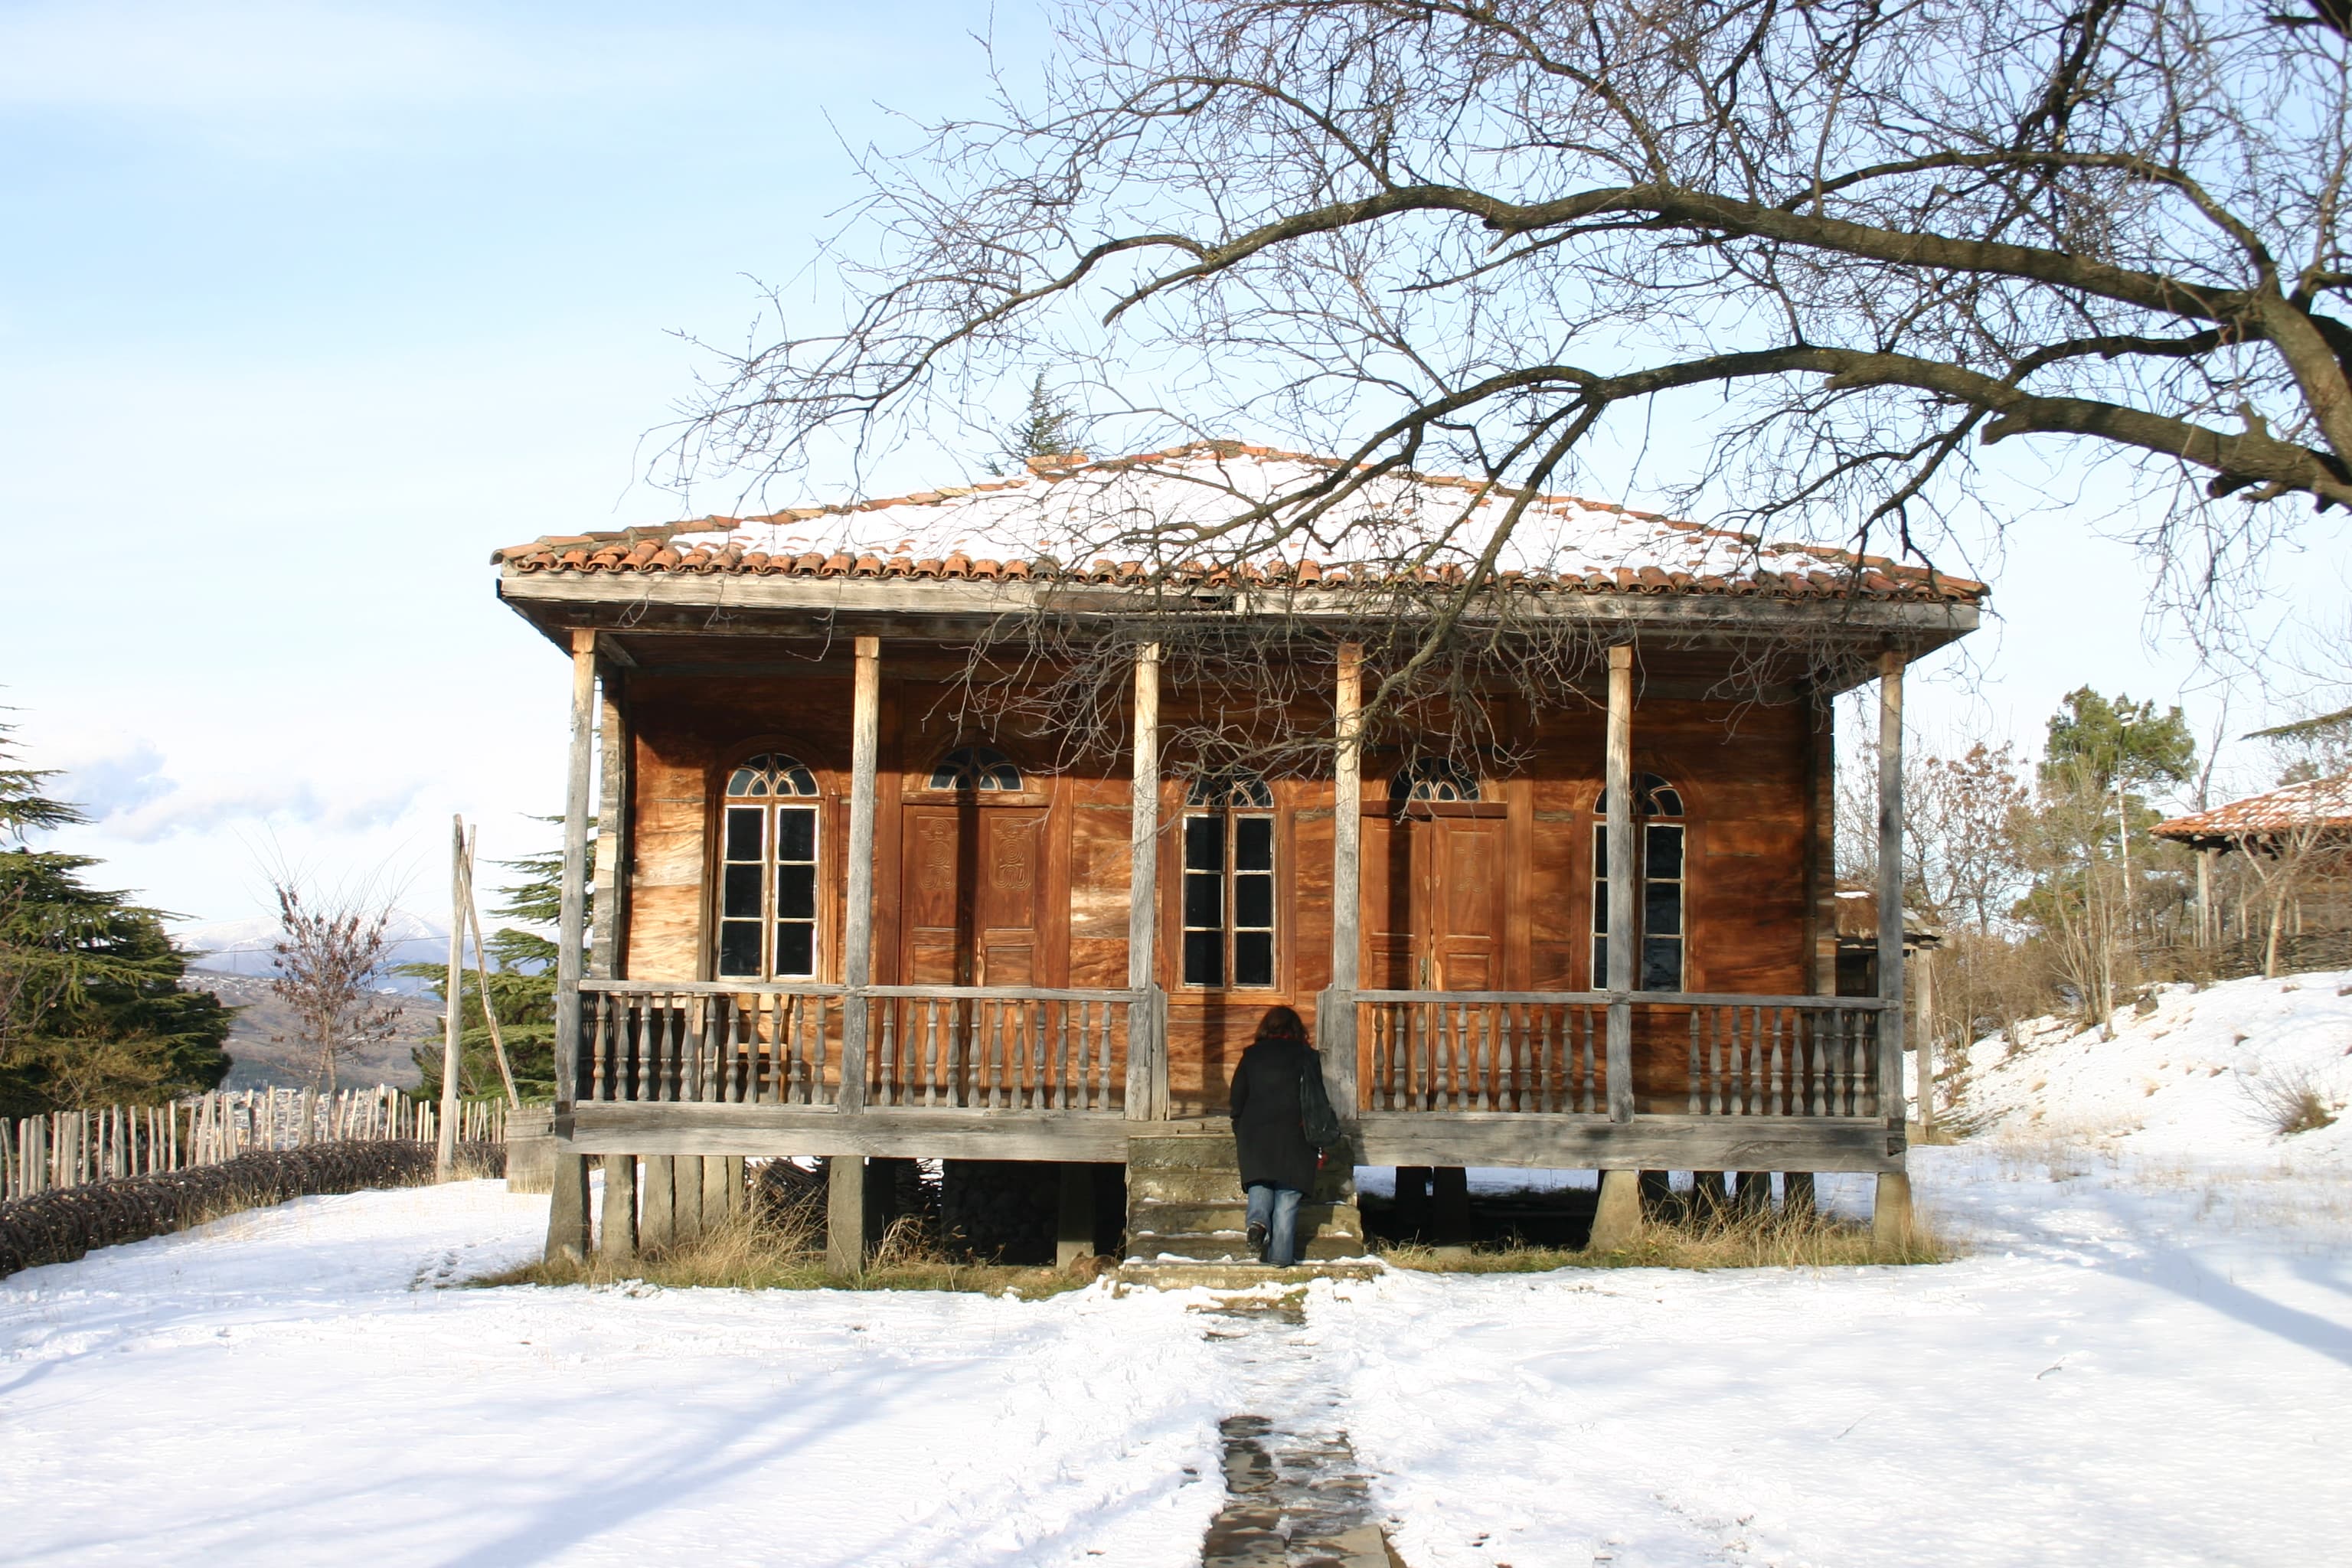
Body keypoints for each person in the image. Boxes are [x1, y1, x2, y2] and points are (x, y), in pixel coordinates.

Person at [1227, 1004, 1323, 1266]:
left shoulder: (1252, 1055)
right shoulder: (1307, 1057)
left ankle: (1257, 1221)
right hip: (1296, 1133)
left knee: (1260, 1182)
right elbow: (1317, 1099)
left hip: (1255, 1132)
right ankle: (1280, 1260)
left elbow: (1237, 1096)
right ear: (1297, 1029)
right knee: (1287, 1199)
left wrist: (1239, 1125)